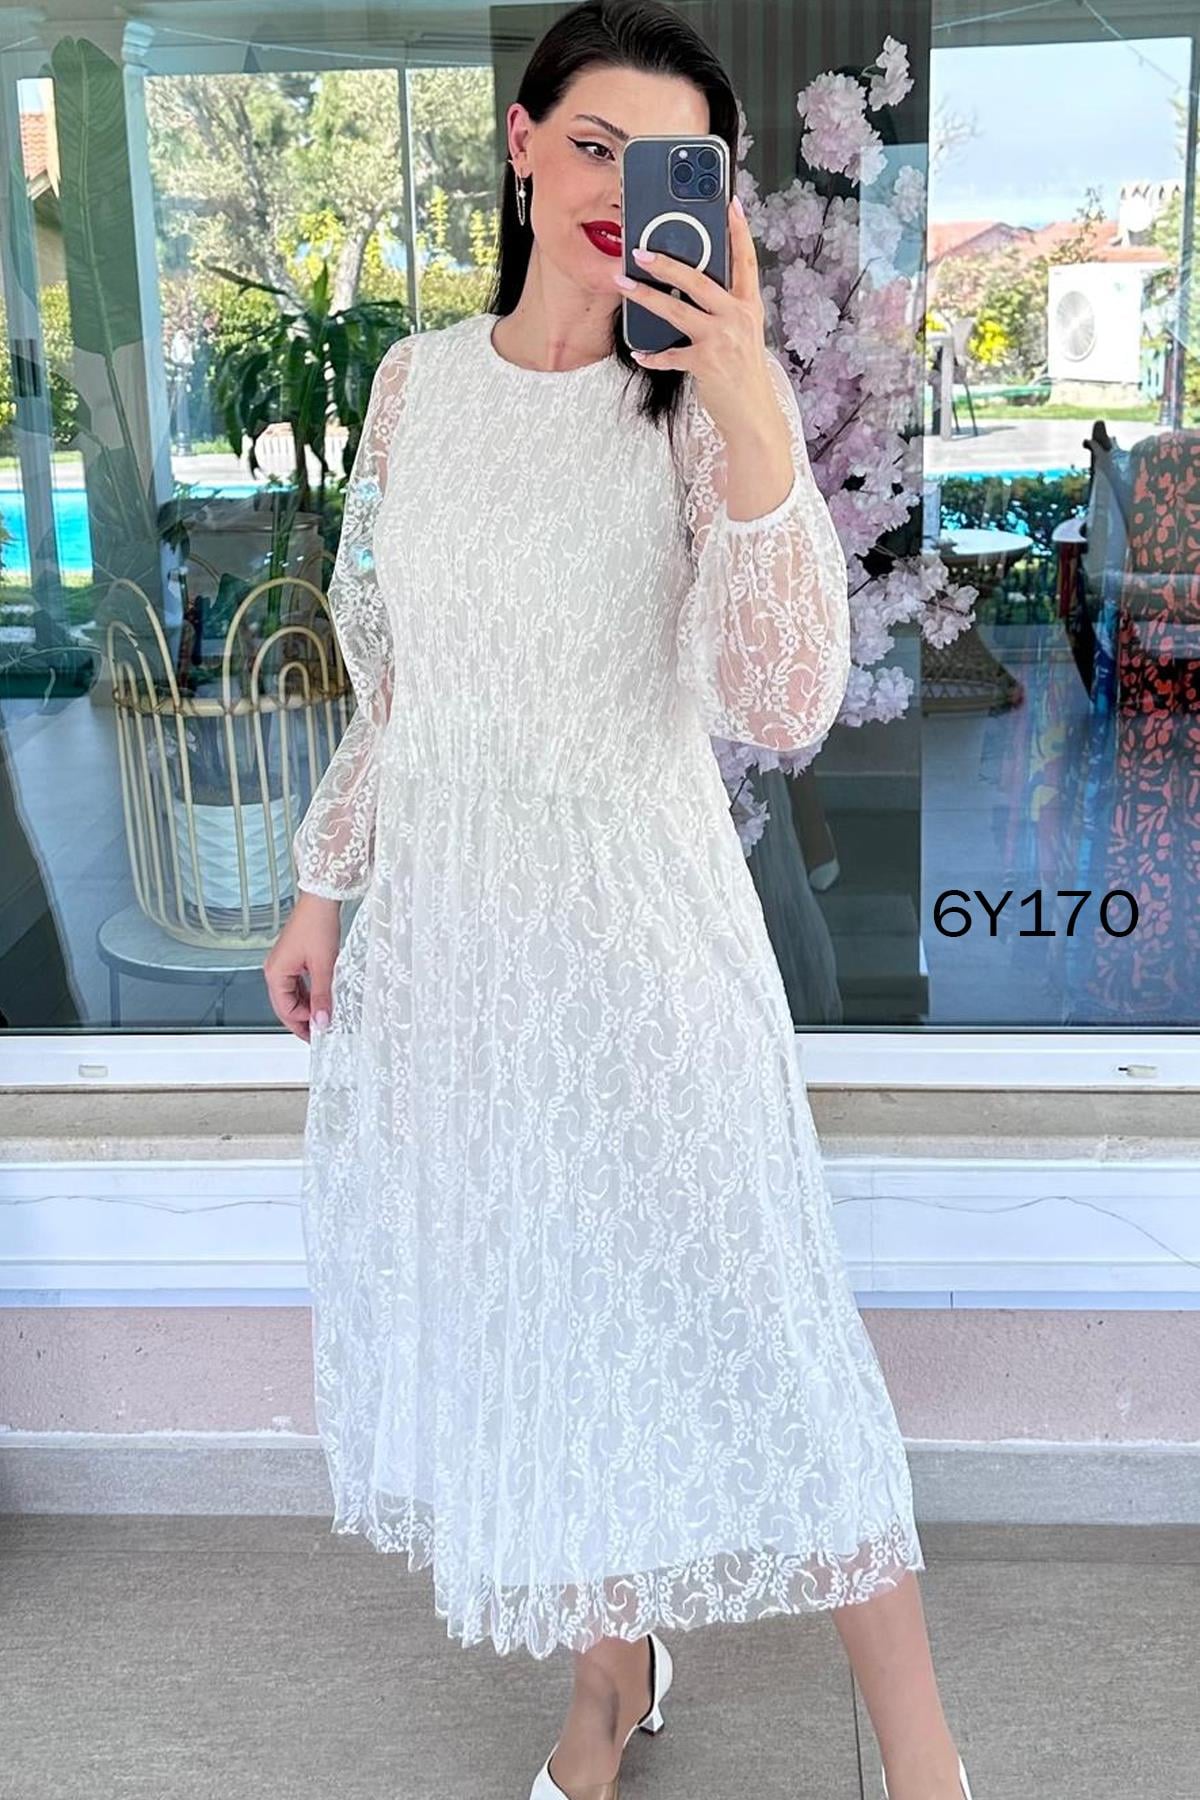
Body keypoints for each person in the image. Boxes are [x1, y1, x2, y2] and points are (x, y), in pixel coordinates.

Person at [264, 5, 972, 1799]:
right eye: (592, 145)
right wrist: (327, 884)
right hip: (462, 954)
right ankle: (610, 1677)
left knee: (770, 1327)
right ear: (522, 145)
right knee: (543, 1320)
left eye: (661, 163)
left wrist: (749, 403)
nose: (614, 188)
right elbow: (397, 684)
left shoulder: (698, 408)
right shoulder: (414, 384)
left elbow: (781, 702)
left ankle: (927, 1763)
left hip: (645, 942)